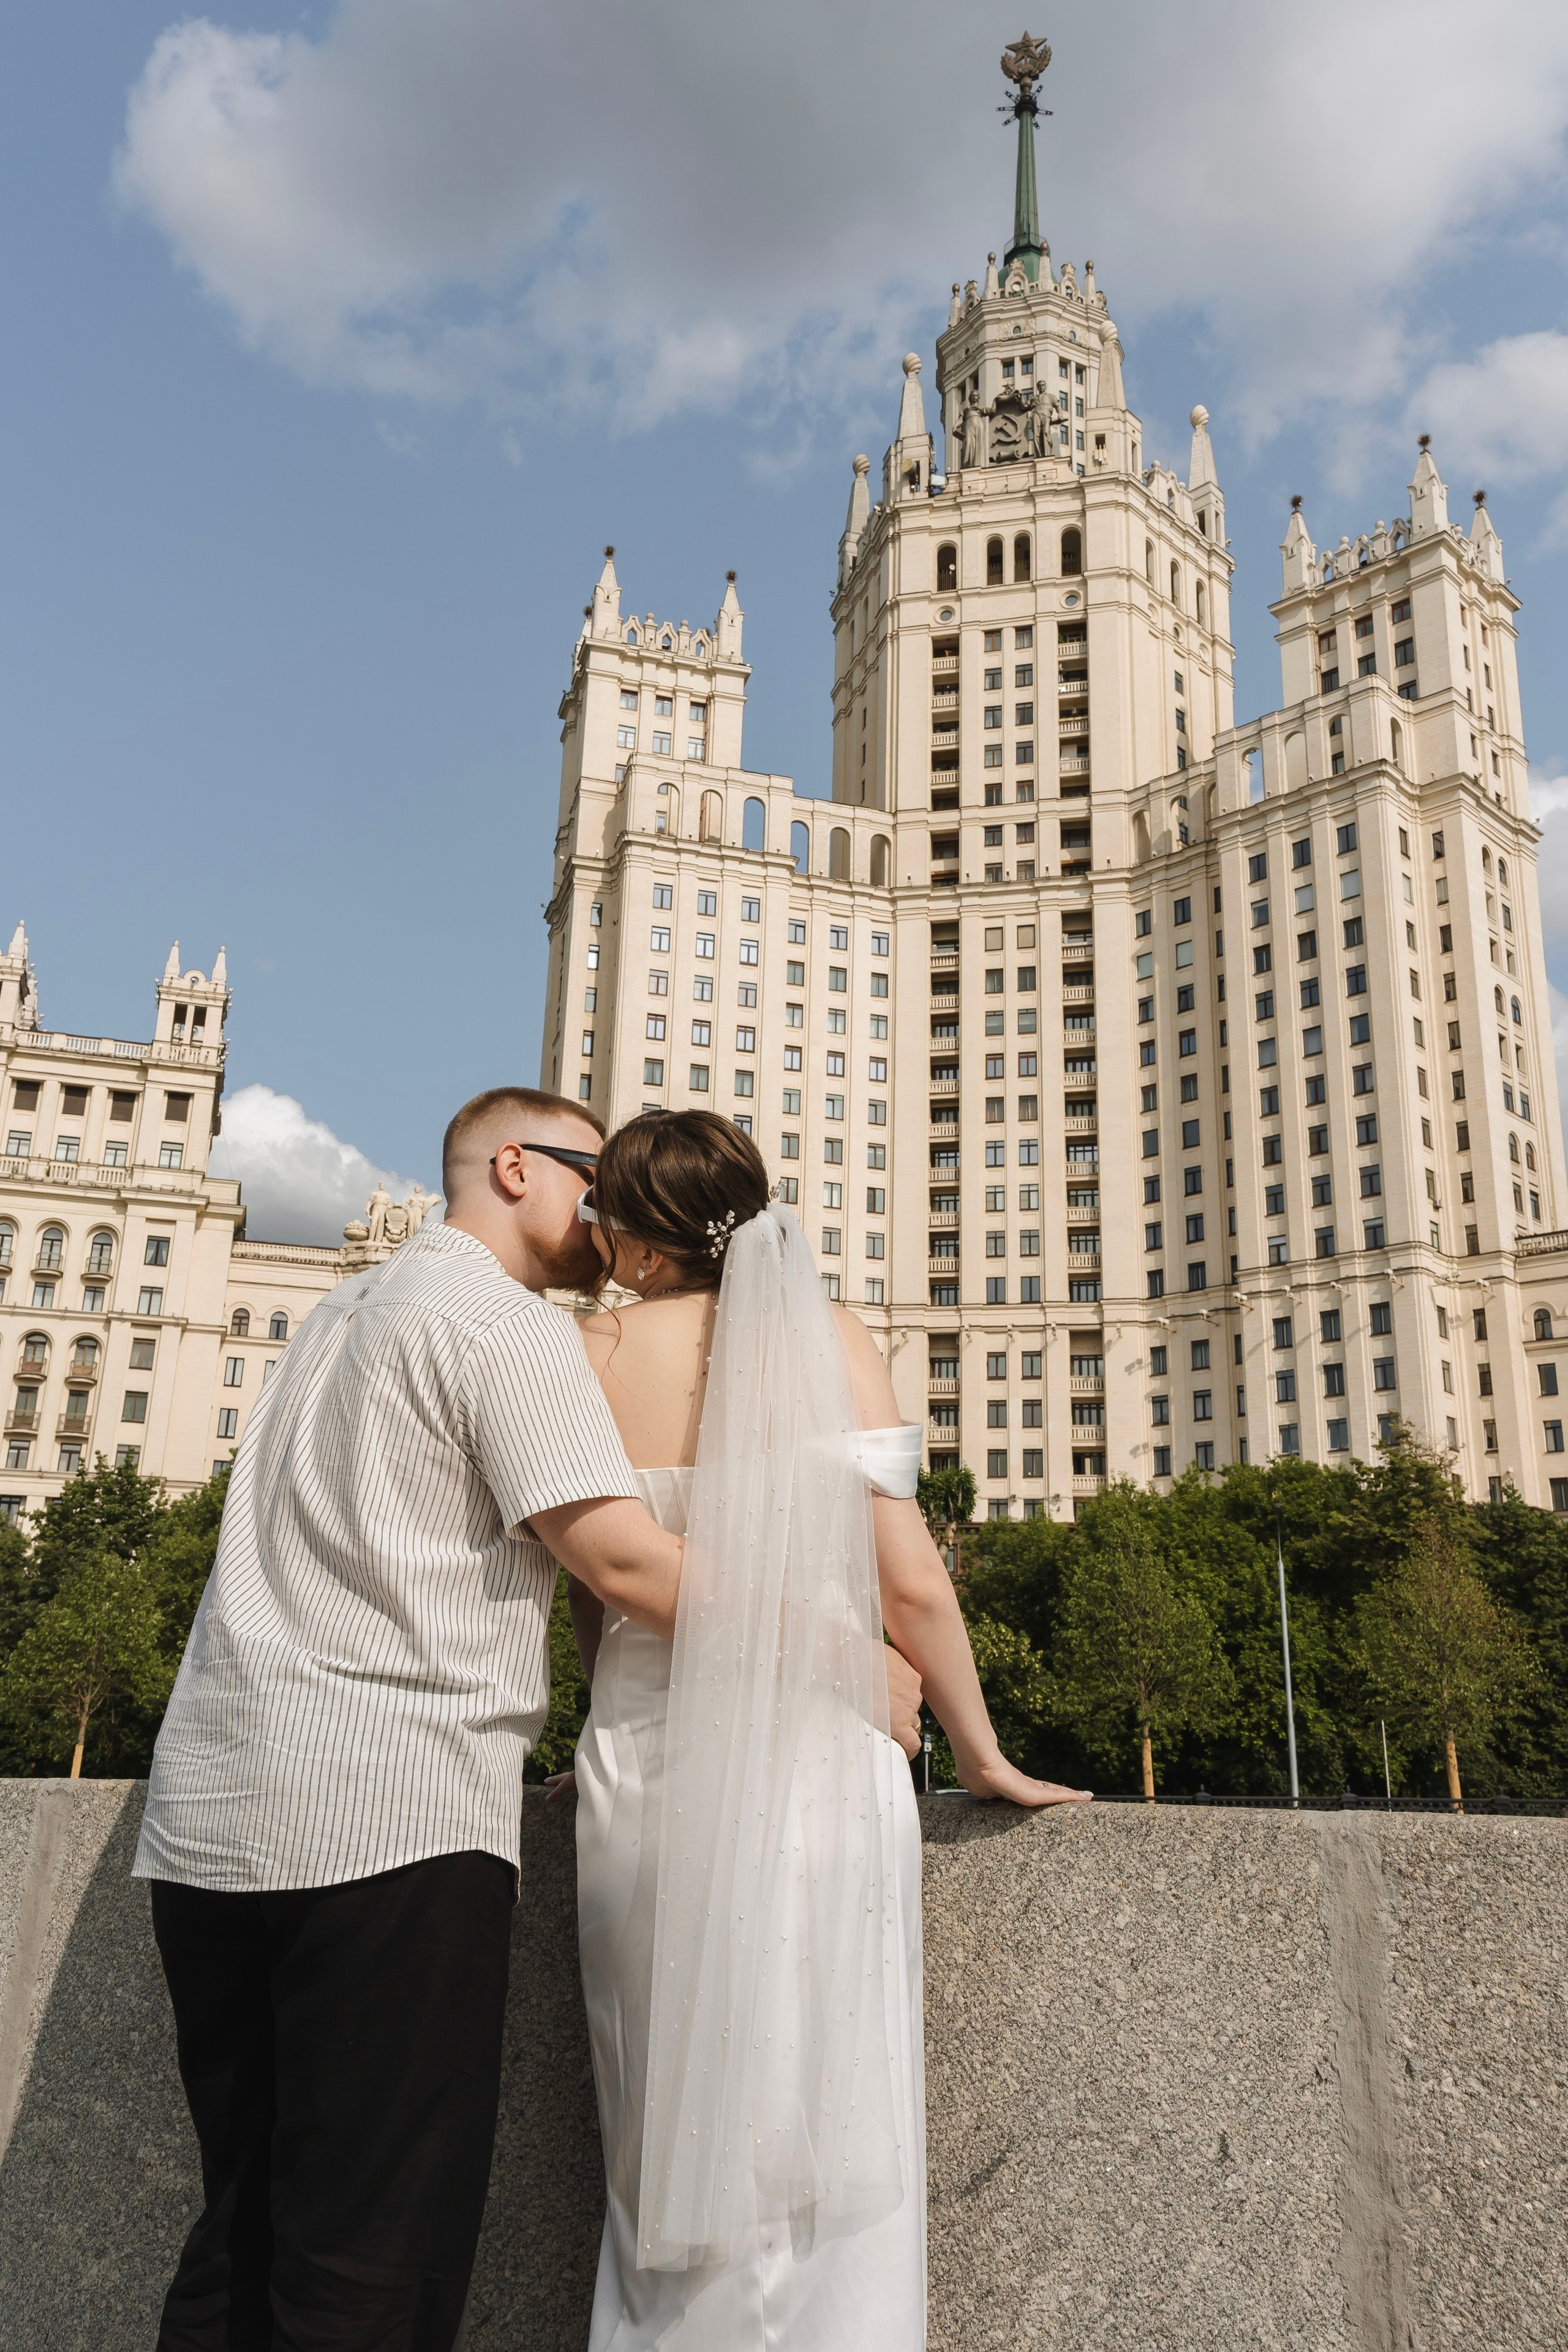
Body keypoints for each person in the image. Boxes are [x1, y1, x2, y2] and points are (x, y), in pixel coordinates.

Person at [134, 1087, 774, 2352]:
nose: (613, 1207)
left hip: (209, 1822)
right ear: (517, 1168)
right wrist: (835, 1641)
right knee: (372, 2262)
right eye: (597, 1174)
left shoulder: (336, 1314)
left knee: (239, 2234)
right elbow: (622, 1561)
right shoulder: (505, 1325)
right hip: (388, 1830)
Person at [560, 1111, 1088, 2352]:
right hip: (825, 1756)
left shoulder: (586, 1352)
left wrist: (594, 1716)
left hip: (648, 1754)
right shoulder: (837, 1337)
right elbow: (910, 1582)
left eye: (604, 1218)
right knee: (832, 2095)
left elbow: (600, 1581)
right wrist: (979, 1753)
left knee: (667, 2109)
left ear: (641, 1241)